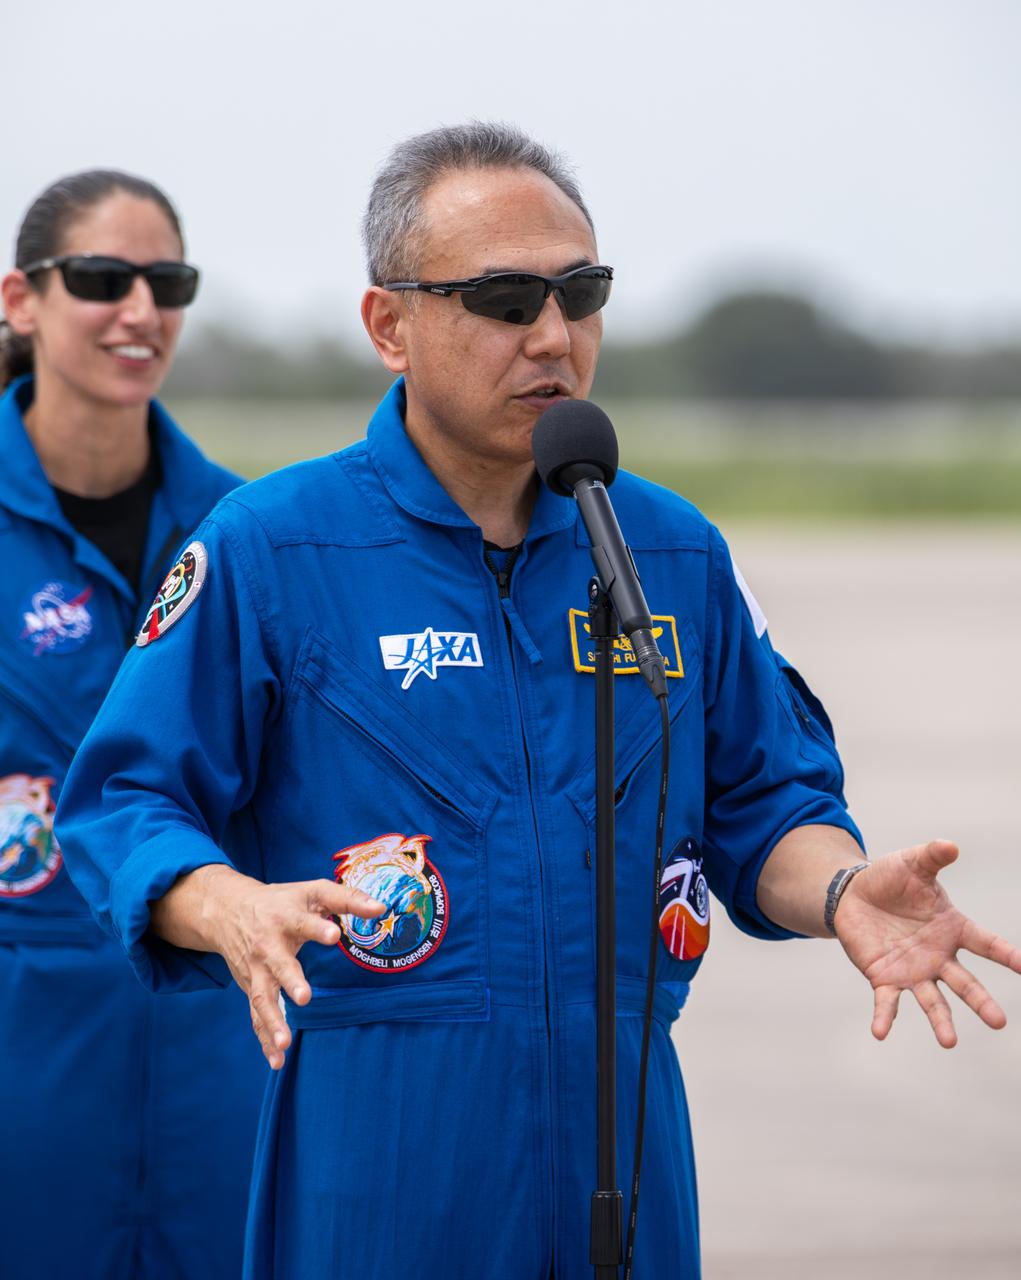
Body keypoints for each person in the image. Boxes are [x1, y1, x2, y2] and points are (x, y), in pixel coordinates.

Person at [55, 127, 1021, 1280]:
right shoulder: (275, 546)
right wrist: (225, 904)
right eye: (505, 298)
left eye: (581, 292)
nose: (553, 336)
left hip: (626, 1124)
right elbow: (123, 798)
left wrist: (846, 888)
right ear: (388, 326)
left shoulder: (669, 551)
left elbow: (764, 801)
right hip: (382, 1139)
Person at [0, 170, 265, 1279]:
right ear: (21, 299)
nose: (140, 311)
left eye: (168, 282)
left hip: (217, 1054)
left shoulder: (248, 530)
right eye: (103, 279)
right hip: (26, 1050)